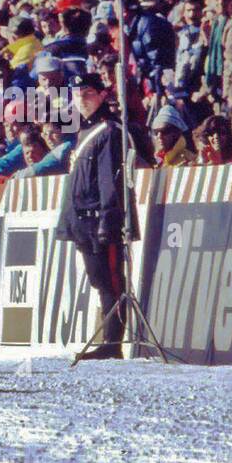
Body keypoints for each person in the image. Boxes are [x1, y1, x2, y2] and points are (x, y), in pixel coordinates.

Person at [55, 72, 151, 361]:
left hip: (100, 220)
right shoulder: (84, 133)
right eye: (77, 95)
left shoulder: (109, 132)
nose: (82, 100)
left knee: (112, 282)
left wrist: (108, 223)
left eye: (87, 94)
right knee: (99, 280)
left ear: (101, 95)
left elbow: (111, 182)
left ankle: (112, 343)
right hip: (82, 220)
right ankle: (109, 339)